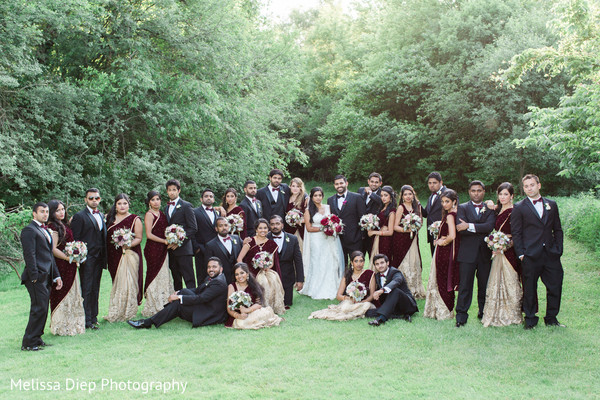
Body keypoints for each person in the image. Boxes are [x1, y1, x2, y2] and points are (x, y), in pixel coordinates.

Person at [511, 174, 564, 329]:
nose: (529, 188)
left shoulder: (551, 205)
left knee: (555, 286)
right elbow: (516, 232)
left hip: (550, 254)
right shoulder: (519, 207)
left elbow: (558, 229)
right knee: (529, 289)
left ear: (539, 185)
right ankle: (530, 320)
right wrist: (521, 254)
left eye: (532, 185)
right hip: (530, 255)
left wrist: (558, 249)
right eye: (526, 186)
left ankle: (552, 319)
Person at [127, 258, 228, 329]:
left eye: (214, 267)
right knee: (183, 291)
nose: (211, 269)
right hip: (205, 305)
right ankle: (164, 312)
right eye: (209, 267)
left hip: (208, 313)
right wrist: (179, 292)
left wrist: (179, 297)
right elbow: (197, 290)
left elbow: (200, 298)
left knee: (178, 304)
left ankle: (148, 322)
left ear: (221, 269)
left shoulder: (218, 283)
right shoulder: (213, 277)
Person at [20, 202, 63, 350]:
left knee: (43, 308)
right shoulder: (29, 230)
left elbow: (49, 256)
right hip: (36, 277)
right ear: (34, 213)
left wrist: (56, 276)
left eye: (46, 211)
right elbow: (29, 255)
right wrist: (34, 276)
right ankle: (28, 342)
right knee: (38, 308)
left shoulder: (45, 229)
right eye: (42, 211)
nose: (45, 214)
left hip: (47, 275)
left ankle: (37, 338)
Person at [481, 183, 523, 327]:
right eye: (500, 194)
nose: (503, 197)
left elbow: (517, 233)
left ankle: (512, 313)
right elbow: (487, 204)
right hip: (497, 249)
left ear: (512, 195)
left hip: (508, 249)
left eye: (506, 194)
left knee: (510, 279)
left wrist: (504, 246)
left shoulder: (515, 211)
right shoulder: (498, 210)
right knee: (496, 281)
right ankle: (496, 311)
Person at [455, 180, 496, 327]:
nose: (476, 193)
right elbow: (461, 229)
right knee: (465, 285)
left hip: (485, 253)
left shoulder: (490, 208)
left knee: (484, 285)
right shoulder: (462, 207)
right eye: (473, 191)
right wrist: (475, 228)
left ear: (484, 192)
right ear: (469, 192)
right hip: (467, 254)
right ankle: (461, 316)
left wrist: (470, 225)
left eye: (479, 190)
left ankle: (483, 312)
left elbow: (490, 226)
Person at [47, 200, 85, 336]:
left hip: (70, 264)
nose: (61, 212)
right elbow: (53, 249)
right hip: (60, 264)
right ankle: (61, 325)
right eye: (58, 210)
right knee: (62, 292)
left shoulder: (64, 224)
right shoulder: (53, 227)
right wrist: (68, 258)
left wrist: (77, 253)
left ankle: (72, 323)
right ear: (52, 212)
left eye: (63, 209)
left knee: (72, 291)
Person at [300, 187, 345, 300]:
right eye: (315, 195)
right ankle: (315, 287)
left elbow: (333, 220)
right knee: (318, 260)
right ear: (311, 197)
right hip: (316, 239)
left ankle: (332, 285)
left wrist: (333, 227)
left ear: (323, 196)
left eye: (320, 195)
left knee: (330, 260)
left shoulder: (328, 207)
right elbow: (309, 228)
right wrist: (324, 229)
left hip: (328, 239)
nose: (318, 198)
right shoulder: (308, 211)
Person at [71, 188, 106, 330]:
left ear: (100, 199)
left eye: (96, 198)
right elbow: (76, 239)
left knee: (96, 288)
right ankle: (86, 320)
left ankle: (94, 317)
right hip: (87, 259)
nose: (94, 200)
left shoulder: (101, 214)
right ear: (86, 200)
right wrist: (80, 257)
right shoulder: (79, 216)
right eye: (91, 198)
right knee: (87, 289)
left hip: (99, 258)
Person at [105, 193, 143, 322]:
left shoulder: (134, 219)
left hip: (129, 254)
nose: (122, 206)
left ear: (128, 205)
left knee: (129, 283)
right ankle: (117, 309)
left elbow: (139, 238)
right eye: (119, 203)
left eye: (125, 203)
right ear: (115, 205)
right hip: (113, 256)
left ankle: (129, 311)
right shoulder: (109, 219)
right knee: (117, 282)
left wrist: (127, 245)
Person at [424, 189, 460, 320]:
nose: (444, 204)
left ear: (454, 201)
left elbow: (452, 236)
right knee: (446, 279)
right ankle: (447, 311)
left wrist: (441, 242)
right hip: (450, 252)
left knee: (442, 279)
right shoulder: (456, 214)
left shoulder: (450, 215)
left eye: (447, 201)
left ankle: (443, 311)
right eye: (443, 202)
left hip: (445, 252)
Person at [309, 251, 376, 321]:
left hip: (364, 302)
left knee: (367, 306)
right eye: (356, 261)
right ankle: (355, 314)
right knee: (345, 307)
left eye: (361, 261)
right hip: (350, 302)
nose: (359, 264)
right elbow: (338, 296)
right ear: (352, 263)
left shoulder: (370, 274)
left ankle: (349, 315)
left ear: (364, 262)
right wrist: (348, 299)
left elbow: (372, 295)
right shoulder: (347, 275)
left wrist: (362, 301)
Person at [237, 218, 285, 314]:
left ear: (268, 230)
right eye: (260, 228)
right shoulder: (250, 242)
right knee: (260, 281)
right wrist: (245, 272)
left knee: (270, 280)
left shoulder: (272, 244)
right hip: (250, 271)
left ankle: (269, 306)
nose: (263, 230)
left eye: (265, 228)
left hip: (265, 270)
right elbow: (239, 259)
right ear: (256, 230)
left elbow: (272, 263)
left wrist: (266, 266)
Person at [142, 191, 174, 317]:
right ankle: (153, 304)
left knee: (164, 274)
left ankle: (164, 303)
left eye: (158, 199)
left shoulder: (162, 214)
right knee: (154, 275)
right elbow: (149, 235)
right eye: (153, 199)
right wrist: (164, 241)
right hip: (153, 249)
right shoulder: (149, 215)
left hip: (163, 250)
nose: (156, 202)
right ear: (149, 202)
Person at [392, 185, 426, 299]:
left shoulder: (418, 207)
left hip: (413, 240)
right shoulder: (401, 207)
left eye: (410, 194)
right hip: (401, 240)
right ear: (402, 196)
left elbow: (420, 223)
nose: (408, 196)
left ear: (413, 195)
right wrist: (406, 230)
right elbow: (395, 226)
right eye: (405, 194)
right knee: (404, 263)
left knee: (414, 262)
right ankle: (404, 289)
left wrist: (416, 227)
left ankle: (415, 289)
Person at [225, 263, 283, 329]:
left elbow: (258, 304)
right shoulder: (232, 286)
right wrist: (238, 316)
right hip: (237, 315)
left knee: (266, 313)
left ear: (247, 274)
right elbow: (229, 308)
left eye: (242, 273)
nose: (239, 276)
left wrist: (247, 310)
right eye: (237, 274)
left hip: (252, 312)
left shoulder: (254, 285)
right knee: (242, 323)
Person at [164, 179, 197, 290]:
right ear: (167, 192)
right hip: (171, 250)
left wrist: (179, 242)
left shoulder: (186, 206)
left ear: (179, 191)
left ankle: (192, 303)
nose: (172, 192)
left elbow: (193, 228)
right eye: (169, 190)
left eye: (174, 190)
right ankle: (177, 304)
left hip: (184, 250)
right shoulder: (166, 208)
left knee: (189, 279)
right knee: (176, 278)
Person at [366, 254, 417, 326]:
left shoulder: (396, 272)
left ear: (387, 263)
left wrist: (382, 290)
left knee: (395, 290)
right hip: (393, 306)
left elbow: (395, 282)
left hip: (406, 304)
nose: (380, 266)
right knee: (368, 313)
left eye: (382, 263)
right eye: (377, 264)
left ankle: (380, 319)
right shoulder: (377, 276)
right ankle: (401, 317)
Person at [327, 175, 367, 266]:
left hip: (355, 239)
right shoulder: (330, 200)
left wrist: (361, 236)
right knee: (340, 265)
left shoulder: (357, 197)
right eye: (337, 184)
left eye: (341, 183)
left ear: (346, 183)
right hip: (338, 240)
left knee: (356, 265)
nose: (339, 185)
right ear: (334, 185)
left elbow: (363, 217)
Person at [268, 215, 304, 307]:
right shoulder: (265, 238)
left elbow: (298, 260)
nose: (275, 226)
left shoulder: (292, 239)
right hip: (270, 278)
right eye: (272, 224)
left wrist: (300, 280)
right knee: (270, 304)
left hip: (287, 277)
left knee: (287, 303)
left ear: (282, 225)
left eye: (277, 224)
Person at [204, 217, 242, 284]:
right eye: (221, 226)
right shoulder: (210, 245)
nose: (224, 228)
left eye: (226, 225)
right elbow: (209, 267)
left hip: (238, 278)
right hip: (222, 281)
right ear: (216, 228)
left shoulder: (237, 239)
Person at [193, 189, 219, 286]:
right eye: (206, 196)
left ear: (213, 199)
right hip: (201, 249)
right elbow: (192, 230)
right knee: (201, 275)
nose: (209, 198)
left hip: (215, 249)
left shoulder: (218, 213)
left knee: (216, 275)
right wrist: (196, 247)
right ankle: (200, 298)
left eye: (211, 196)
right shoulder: (195, 212)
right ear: (201, 199)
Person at [367, 185, 396, 264]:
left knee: (382, 262)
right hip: (377, 240)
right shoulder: (381, 208)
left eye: (386, 195)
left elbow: (390, 232)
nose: (383, 198)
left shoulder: (392, 211)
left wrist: (374, 232)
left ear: (391, 197)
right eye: (382, 195)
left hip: (385, 241)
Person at [357, 172, 383, 255]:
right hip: (360, 232)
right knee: (358, 256)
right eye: (372, 182)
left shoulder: (382, 193)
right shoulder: (361, 190)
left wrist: (370, 194)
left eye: (376, 182)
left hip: (374, 231)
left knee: (374, 256)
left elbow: (381, 202)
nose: (374, 184)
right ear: (368, 181)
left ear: (380, 183)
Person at [422, 172, 446, 256]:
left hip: (444, 234)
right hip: (432, 234)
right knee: (434, 261)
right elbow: (426, 214)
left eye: (434, 183)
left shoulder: (448, 193)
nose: (432, 185)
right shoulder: (431, 196)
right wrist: (416, 203)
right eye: (430, 183)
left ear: (441, 182)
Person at [284, 177, 308, 249]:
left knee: (300, 248)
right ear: (290, 186)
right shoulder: (287, 197)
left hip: (299, 228)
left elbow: (309, 215)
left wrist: (299, 221)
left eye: (298, 186)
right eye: (293, 186)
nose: (295, 188)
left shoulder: (304, 198)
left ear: (301, 187)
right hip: (287, 228)